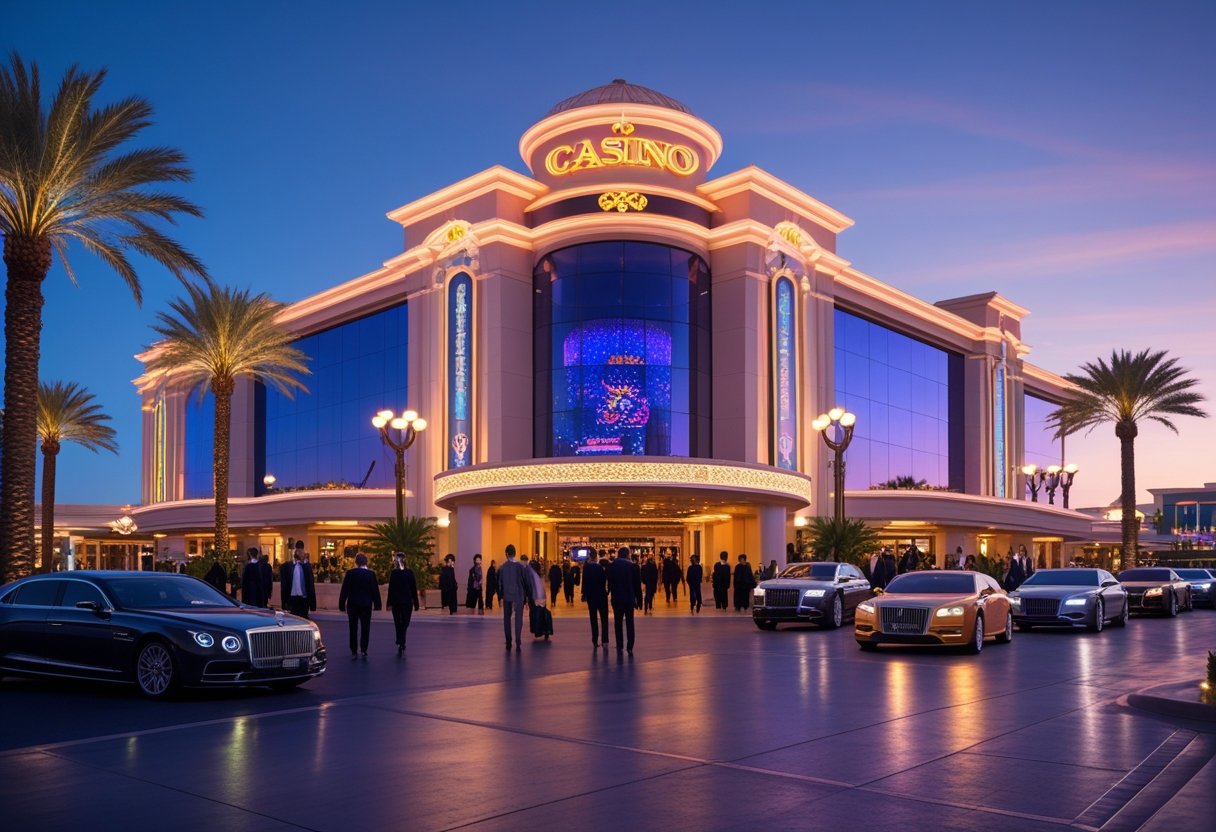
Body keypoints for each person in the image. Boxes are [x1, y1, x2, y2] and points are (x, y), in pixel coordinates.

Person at [338, 552, 381, 658]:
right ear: (366, 562)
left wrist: (342, 605)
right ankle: (364, 649)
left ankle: (353, 649)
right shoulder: (371, 574)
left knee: (353, 628)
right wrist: (377, 605)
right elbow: (374, 591)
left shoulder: (350, 573)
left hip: (353, 604)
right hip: (366, 605)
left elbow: (345, 591)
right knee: (365, 628)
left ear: (356, 562)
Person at [606, 546, 642, 653]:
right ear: (627, 555)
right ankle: (630, 646)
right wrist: (639, 600)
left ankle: (619, 645)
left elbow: (610, 584)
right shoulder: (633, 567)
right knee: (630, 622)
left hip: (616, 598)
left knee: (618, 622)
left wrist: (609, 594)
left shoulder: (611, 566)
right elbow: (637, 586)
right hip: (629, 598)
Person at [498, 544, 531, 651]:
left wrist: (500, 597)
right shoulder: (520, 567)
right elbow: (526, 583)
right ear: (515, 553)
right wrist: (527, 598)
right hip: (519, 595)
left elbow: (500, 584)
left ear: (506, 554)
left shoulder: (503, 567)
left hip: (507, 596)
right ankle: (518, 641)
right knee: (518, 619)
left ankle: (508, 642)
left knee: (506, 619)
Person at [386, 552, 419, 656]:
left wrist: (389, 603)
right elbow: (413, 589)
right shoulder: (404, 573)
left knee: (401, 622)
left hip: (401, 601)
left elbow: (413, 588)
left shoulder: (400, 573)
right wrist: (416, 602)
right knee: (404, 621)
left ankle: (400, 639)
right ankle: (401, 640)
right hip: (404, 602)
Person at [280, 542, 317, 619]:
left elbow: (310, 584)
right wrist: (284, 602)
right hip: (293, 597)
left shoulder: (306, 566)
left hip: (304, 597)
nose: (300, 553)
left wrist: (313, 604)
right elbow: (284, 585)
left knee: (304, 619)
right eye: (298, 551)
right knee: (293, 619)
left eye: (301, 552)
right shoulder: (288, 566)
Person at [582, 550, 609, 647]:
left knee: (593, 618)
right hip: (601, 595)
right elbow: (604, 580)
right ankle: (605, 640)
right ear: (596, 557)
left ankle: (594, 640)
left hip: (591, 596)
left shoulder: (586, 568)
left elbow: (584, 582)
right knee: (604, 618)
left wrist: (584, 594)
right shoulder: (599, 568)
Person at [525, 557, 551, 640]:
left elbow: (529, 586)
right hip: (539, 597)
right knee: (540, 614)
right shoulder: (538, 575)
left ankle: (537, 630)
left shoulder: (531, 574)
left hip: (534, 598)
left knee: (535, 614)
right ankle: (543, 630)